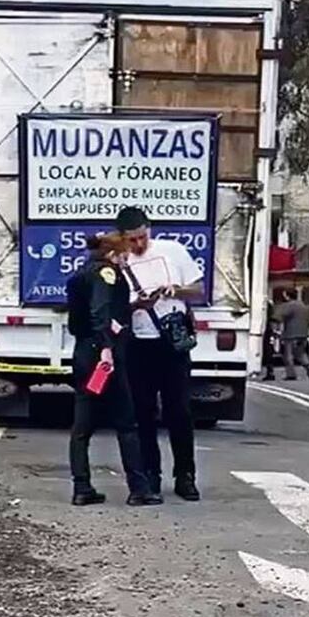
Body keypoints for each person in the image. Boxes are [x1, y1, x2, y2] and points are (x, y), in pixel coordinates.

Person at [65, 233, 161, 507]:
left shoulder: (81, 272)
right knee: (126, 423)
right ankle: (139, 488)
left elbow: (93, 312)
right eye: (124, 253)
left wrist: (133, 307)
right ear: (113, 254)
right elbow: (101, 311)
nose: (127, 258)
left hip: (84, 352)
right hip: (104, 355)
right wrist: (106, 348)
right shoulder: (107, 273)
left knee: (82, 426)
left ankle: (81, 487)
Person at [116, 207, 203, 502]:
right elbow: (115, 308)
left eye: (142, 237)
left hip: (171, 341)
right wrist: (135, 305)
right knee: (143, 412)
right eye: (132, 240)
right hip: (139, 342)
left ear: (149, 230)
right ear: (123, 239)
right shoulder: (120, 263)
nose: (138, 245)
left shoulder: (173, 251)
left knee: (179, 410)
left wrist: (176, 290)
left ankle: (185, 475)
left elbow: (199, 289)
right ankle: (151, 475)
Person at [276, 288, 309, 381]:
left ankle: (291, 374)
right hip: (303, 333)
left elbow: (280, 316)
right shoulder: (302, 305)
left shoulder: (289, 306)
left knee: (288, 355)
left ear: (288, 296)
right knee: (300, 353)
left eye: (285, 295)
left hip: (291, 334)